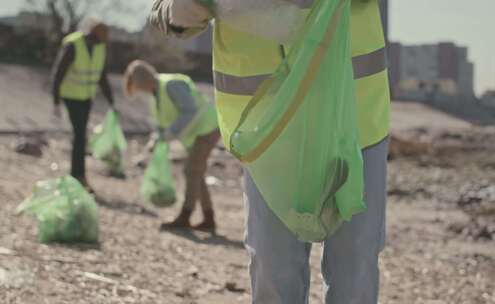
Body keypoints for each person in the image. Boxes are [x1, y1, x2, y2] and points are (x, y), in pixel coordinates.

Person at [150, 0, 390, 303]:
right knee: (273, 266)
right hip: (266, 131)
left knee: (354, 264)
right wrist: (181, 9)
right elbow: (163, 11)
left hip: (354, 116)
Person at [124, 60, 221, 232]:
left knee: (191, 170)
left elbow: (190, 110)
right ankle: (208, 218)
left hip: (207, 127)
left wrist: (170, 133)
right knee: (196, 173)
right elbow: (163, 123)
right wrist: (155, 139)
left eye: (138, 88)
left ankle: (186, 215)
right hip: (196, 133)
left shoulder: (170, 85)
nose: (140, 92)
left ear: (142, 81)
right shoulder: (156, 94)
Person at [51, 19, 116, 192]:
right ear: (93, 34)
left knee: (81, 136)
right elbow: (58, 72)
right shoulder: (73, 45)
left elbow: (102, 75)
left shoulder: (100, 47)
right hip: (71, 96)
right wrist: (56, 101)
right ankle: (77, 176)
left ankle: (78, 175)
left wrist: (111, 101)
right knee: (80, 136)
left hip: (87, 97)